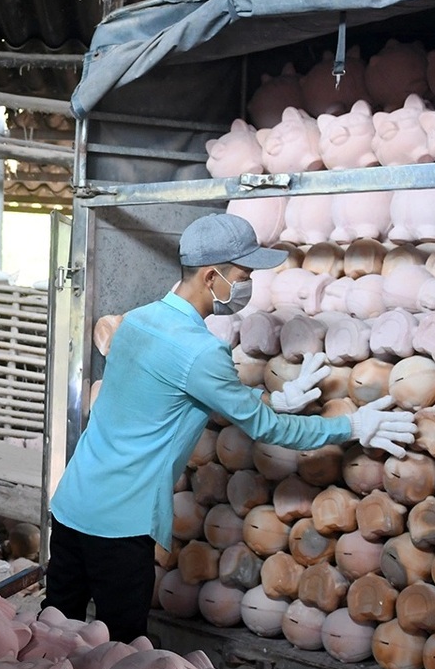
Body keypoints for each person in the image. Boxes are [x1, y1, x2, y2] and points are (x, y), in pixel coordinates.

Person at [45, 212, 415, 642]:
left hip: (74, 504)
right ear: (211, 276)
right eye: (242, 274)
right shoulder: (201, 351)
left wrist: (273, 399)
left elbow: (168, 400)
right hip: (121, 522)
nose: (247, 285)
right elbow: (268, 431)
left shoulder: (138, 321)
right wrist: (349, 426)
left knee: (55, 632)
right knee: (121, 655)